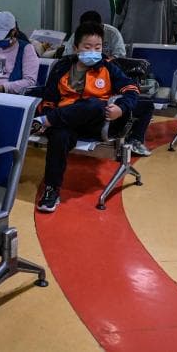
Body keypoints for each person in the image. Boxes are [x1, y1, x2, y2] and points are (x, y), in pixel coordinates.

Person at [33, 23, 144, 213]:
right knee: (59, 136)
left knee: (94, 104)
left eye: (97, 47)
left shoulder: (108, 67)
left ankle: (44, 122)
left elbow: (132, 90)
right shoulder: (62, 67)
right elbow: (49, 98)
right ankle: (52, 189)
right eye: (87, 47)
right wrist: (48, 112)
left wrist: (121, 108)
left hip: (95, 123)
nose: (93, 51)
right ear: (76, 48)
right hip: (66, 122)